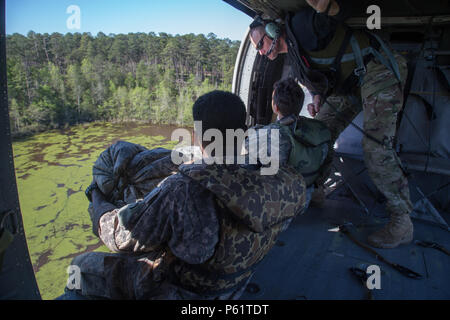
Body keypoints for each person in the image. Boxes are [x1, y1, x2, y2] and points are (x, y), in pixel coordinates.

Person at [59, 90, 307, 300]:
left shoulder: (183, 189)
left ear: (198, 137)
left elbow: (119, 237)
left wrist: (96, 197)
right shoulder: (279, 178)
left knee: (79, 267)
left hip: (186, 292)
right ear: (244, 131)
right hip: (236, 286)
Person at [248, 0, 413, 249]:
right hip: (351, 84)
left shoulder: (300, 27)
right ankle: (316, 188)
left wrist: (326, 6)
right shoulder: (293, 56)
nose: (261, 52)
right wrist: (316, 99)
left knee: (376, 146)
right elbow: (319, 80)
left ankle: (402, 221)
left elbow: (333, 14)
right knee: (318, 130)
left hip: (378, 69)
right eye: (257, 50)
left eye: (260, 44)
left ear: (273, 32)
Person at [245, 77, 330, 208]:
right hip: (307, 194)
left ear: (275, 107)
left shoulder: (271, 134)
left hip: (283, 204)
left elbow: (246, 146)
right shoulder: (319, 129)